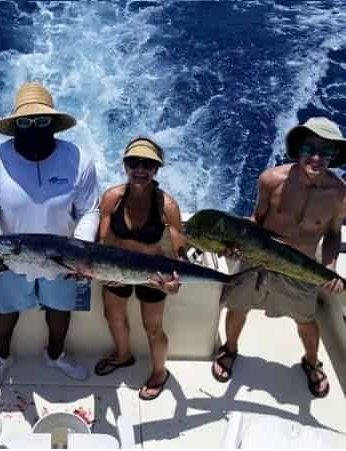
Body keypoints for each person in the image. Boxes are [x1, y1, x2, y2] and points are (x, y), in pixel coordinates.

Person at [0, 82, 100, 394]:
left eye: (42, 122)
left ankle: (56, 356)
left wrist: (78, 252)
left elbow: (90, 209)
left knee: (60, 310)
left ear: (54, 125)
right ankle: (2, 359)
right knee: (6, 309)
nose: (34, 128)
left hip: (62, 259)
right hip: (11, 257)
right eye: (26, 122)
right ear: (15, 127)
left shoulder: (79, 160)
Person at [212, 117, 346, 398]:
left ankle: (311, 362)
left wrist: (330, 266)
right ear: (299, 149)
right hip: (258, 259)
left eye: (327, 152)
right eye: (310, 149)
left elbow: (333, 234)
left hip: (301, 268)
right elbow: (255, 220)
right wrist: (234, 244)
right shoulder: (271, 180)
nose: (317, 158)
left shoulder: (340, 194)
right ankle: (230, 349)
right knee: (238, 307)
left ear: (335, 156)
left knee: (306, 320)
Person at [94, 137, 184, 401]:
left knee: (153, 328)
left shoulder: (167, 206)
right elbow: (103, 241)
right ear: (126, 166)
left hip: (152, 275)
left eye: (148, 164)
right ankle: (123, 356)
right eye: (134, 163)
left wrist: (173, 283)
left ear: (157, 169)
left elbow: (179, 251)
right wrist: (105, 272)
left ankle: (159, 372)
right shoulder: (112, 198)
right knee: (114, 318)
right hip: (118, 269)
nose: (140, 169)